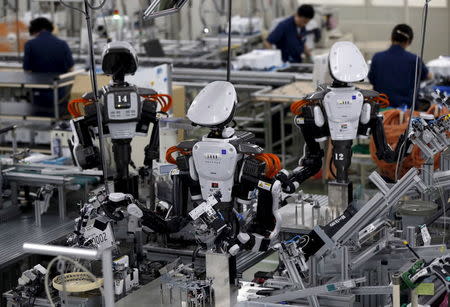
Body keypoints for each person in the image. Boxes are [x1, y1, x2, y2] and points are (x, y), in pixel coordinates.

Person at [368, 24, 431, 109]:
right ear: (408, 42)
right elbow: (428, 76)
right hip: (406, 113)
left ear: (391, 38)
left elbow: (372, 79)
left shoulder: (377, 57)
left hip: (382, 109)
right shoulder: (415, 60)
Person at [23, 17, 74, 116]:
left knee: (38, 117)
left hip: (38, 94)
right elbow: (71, 70)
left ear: (35, 30)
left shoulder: (30, 44)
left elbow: (27, 71)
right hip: (60, 94)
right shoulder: (62, 44)